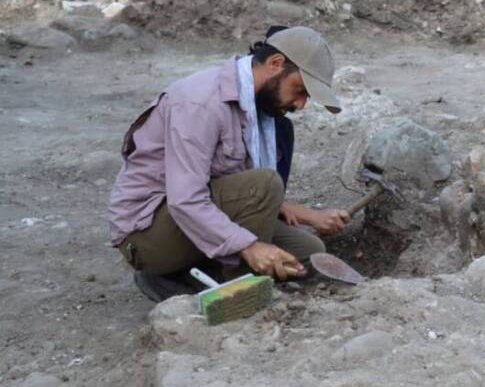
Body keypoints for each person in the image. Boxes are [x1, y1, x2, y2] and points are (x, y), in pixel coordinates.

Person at [108, 26, 351, 302]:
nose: (301, 105)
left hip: (192, 216)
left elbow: (231, 183)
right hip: (147, 235)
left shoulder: (257, 110)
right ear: (275, 64)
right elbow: (186, 199)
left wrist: (302, 214)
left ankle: (191, 274)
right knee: (265, 185)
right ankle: (235, 292)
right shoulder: (201, 103)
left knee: (308, 252)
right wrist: (250, 247)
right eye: (299, 90)